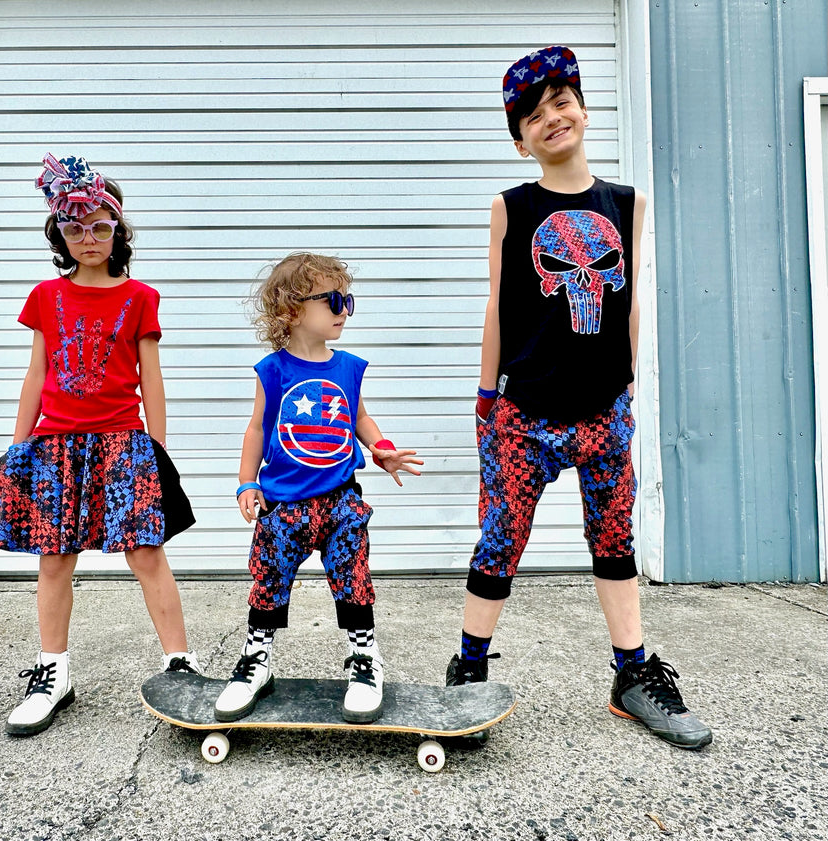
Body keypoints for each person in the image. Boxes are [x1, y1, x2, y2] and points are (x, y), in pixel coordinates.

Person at [448, 47, 712, 749]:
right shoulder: (512, 208)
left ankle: (633, 674)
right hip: (522, 412)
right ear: (520, 140)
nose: (552, 119)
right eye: (533, 116)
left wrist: (627, 386)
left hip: (603, 410)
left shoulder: (627, 204)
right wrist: (485, 397)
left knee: (614, 538)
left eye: (562, 103)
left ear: (585, 112)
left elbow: (628, 301)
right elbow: (498, 305)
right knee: (500, 539)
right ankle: (469, 669)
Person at [0, 154, 200, 737]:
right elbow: (36, 374)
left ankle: (180, 663)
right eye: (75, 228)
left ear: (117, 229)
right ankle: (53, 672)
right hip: (56, 446)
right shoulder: (46, 296)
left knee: (146, 553)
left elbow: (151, 379)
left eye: (99, 226)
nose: (88, 238)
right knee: (54, 559)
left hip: (122, 442)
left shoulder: (140, 297)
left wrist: (156, 449)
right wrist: (18, 448)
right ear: (60, 235)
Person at [215, 253, 423, 724]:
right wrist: (247, 481)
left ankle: (365, 661)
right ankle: (256, 661)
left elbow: (360, 416)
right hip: (283, 504)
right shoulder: (273, 370)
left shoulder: (348, 367)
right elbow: (256, 428)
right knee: (268, 580)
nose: (343, 310)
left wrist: (382, 448)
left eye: (347, 300)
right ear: (291, 309)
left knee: (353, 579)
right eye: (332, 300)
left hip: (340, 500)